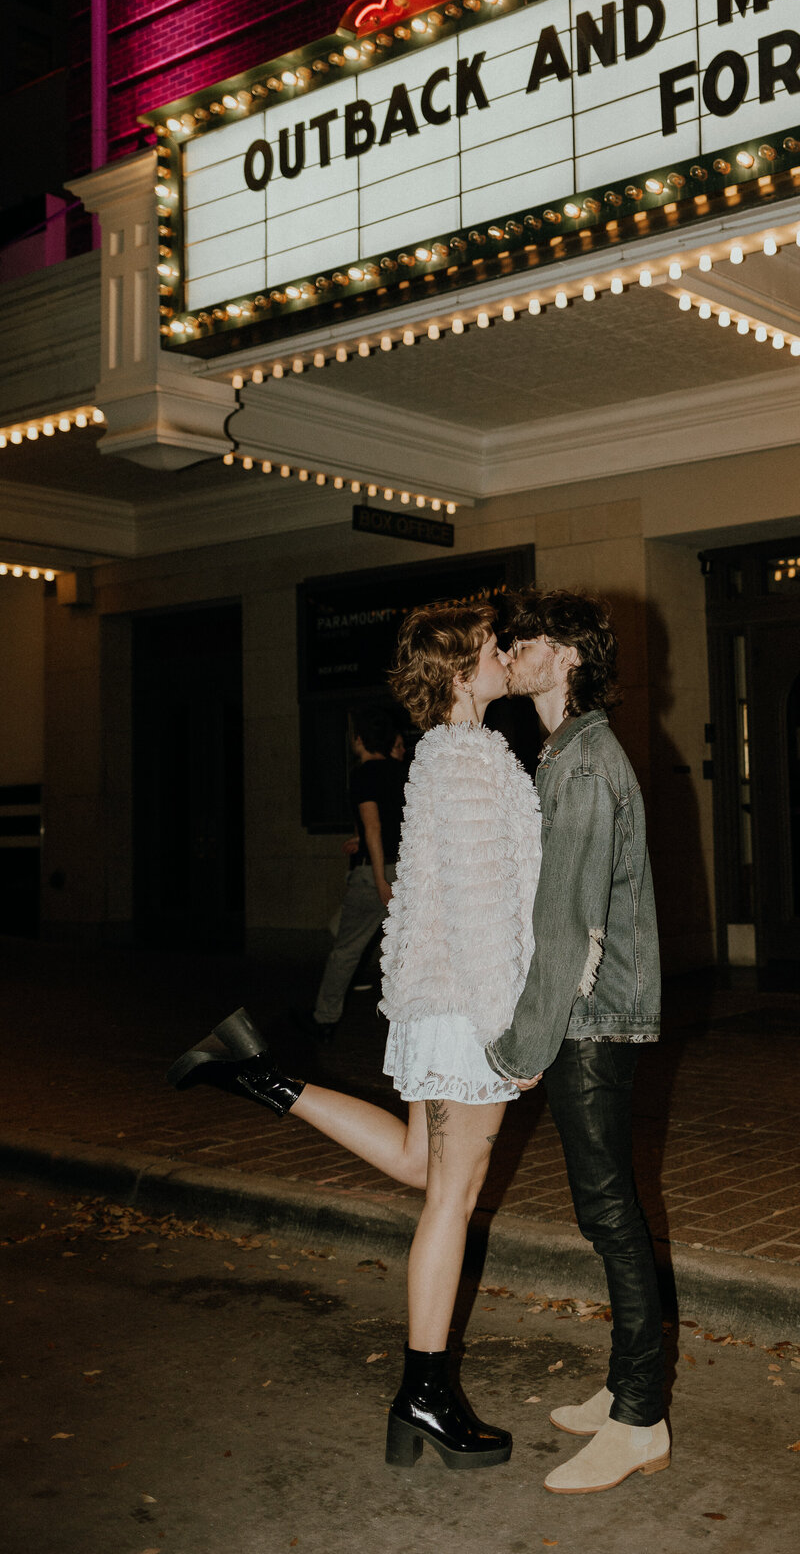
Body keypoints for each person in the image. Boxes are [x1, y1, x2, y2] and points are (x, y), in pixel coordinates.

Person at [166, 604, 541, 1473]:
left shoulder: (437, 760)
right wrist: (513, 1039)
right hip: (469, 1012)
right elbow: (488, 917)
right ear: (457, 672)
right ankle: (426, 1392)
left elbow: (424, 897)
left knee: (421, 1168)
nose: (501, 658)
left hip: (433, 1005)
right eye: (490, 648)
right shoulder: (472, 759)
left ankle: (255, 1074)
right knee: (450, 1201)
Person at [485, 588, 669, 1496]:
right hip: (589, 1014)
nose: (510, 652)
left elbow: (566, 924)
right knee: (609, 1213)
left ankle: (641, 1418)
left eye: (525, 642)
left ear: (566, 658)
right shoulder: (563, 750)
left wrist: (522, 1045)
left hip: (592, 1019)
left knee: (611, 1215)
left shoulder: (585, 763)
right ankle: (626, 1392)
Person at [297, 707, 408, 1042]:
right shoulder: (402, 772)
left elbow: (374, 827)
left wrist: (378, 880)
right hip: (407, 869)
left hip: (376, 871)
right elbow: (399, 822)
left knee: (345, 950)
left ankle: (324, 1019)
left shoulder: (363, 775)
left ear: (360, 740)